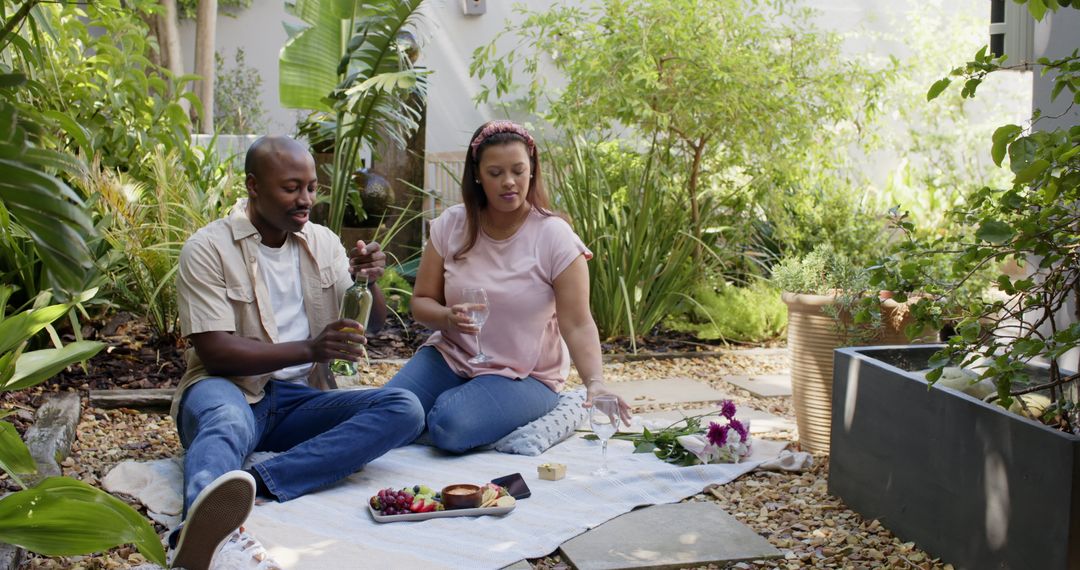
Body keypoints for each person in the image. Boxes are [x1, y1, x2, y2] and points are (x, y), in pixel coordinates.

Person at [167, 136, 424, 569]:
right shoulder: (208, 248)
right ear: (253, 186)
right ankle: (202, 531)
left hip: (300, 400)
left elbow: (373, 324)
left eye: (311, 187)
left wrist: (370, 280)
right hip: (226, 389)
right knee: (227, 420)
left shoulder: (322, 242)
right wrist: (308, 347)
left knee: (405, 408)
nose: (305, 199)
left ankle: (252, 483)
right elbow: (215, 353)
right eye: (291, 188)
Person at [386, 120, 632, 454]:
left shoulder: (554, 236)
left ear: (532, 170)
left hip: (524, 375)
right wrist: (446, 317)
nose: (509, 182)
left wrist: (596, 383)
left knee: (448, 425)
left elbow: (577, 322)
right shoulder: (450, 226)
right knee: (385, 412)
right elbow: (422, 302)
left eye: (518, 170)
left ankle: (550, 406)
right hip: (450, 356)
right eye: (495, 173)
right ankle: (442, 410)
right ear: (477, 175)